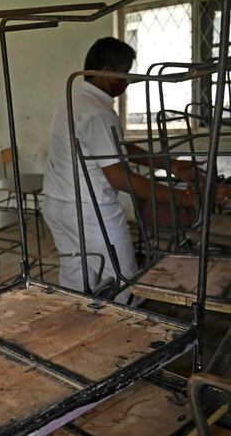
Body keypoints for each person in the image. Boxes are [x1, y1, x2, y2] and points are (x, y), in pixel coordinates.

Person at [43, 37, 231, 299]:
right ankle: (123, 330)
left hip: (59, 205)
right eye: (125, 73)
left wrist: (171, 164)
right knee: (121, 279)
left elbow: (116, 147)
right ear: (107, 72)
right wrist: (187, 197)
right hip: (89, 213)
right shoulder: (97, 112)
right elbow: (120, 178)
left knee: (80, 273)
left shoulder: (72, 100)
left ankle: (76, 322)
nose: (128, 81)